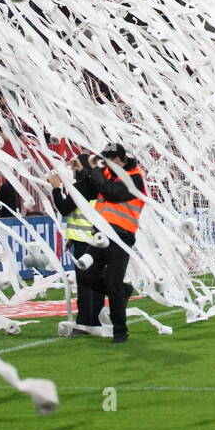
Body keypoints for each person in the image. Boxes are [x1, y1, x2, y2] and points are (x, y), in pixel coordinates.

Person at [78, 144, 145, 344]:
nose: (102, 163)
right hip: (101, 235)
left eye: (106, 159)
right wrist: (83, 171)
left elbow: (111, 193)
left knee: (113, 282)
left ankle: (120, 332)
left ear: (117, 160)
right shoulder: (107, 173)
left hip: (121, 237)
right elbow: (87, 192)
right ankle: (122, 291)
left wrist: (95, 170)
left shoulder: (134, 178)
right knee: (84, 274)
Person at [51, 156, 103, 334]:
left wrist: (56, 188)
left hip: (85, 244)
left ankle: (84, 323)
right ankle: (96, 320)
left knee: (85, 283)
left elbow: (65, 208)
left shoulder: (81, 187)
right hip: (98, 241)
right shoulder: (98, 186)